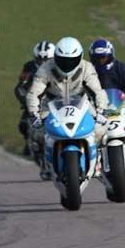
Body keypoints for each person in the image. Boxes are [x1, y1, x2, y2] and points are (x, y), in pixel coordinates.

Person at [25, 37, 109, 179]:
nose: (67, 64)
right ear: (56, 57)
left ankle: (99, 159)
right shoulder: (45, 68)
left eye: (71, 60)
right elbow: (34, 93)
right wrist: (34, 114)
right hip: (51, 104)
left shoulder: (87, 67)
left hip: (82, 103)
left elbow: (98, 91)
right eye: (63, 60)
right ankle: (44, 163)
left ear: (80, 57)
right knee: (37, 132)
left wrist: (102, 110)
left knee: (101, 129)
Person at [14, 39, 55, 155]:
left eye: (46, 60)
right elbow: (20, 87)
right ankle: (29, 144)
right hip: (34, 103)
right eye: (39, 59)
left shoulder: (59, 68)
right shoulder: (29, 67)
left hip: (53, 102)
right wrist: (25, 100)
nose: (42, 63)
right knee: (23, 125)